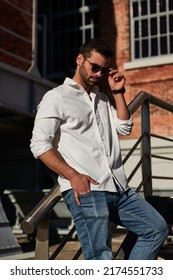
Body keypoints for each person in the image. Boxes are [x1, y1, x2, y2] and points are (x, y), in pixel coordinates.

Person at [30, 38, 168, 260]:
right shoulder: (56, 97)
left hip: (119, 188)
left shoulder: (101, 98)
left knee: (156, 229)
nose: (98, 73)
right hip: (88, 191)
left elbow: (124, 127)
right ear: (79, 59)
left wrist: (118, 92)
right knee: (100, 257)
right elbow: (39, 144)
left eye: (103, 70)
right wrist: (72, 175)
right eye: (94, 67)